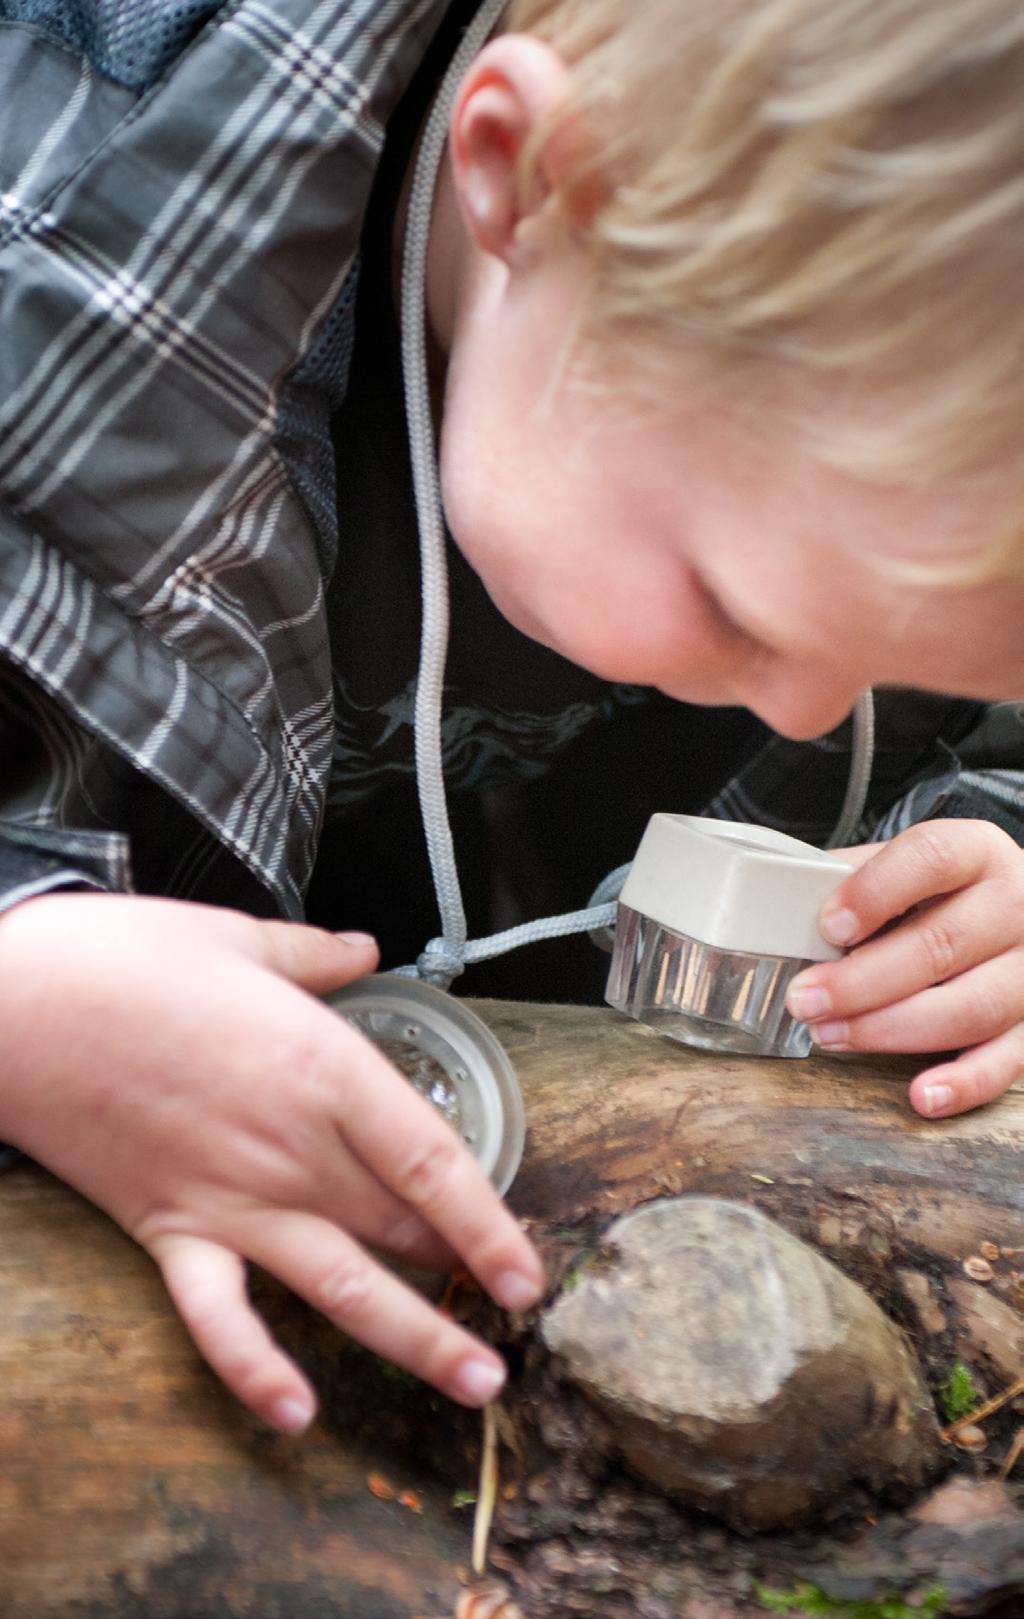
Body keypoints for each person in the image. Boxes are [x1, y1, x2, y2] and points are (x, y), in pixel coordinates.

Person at [0, 0, 1022, 1438]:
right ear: (532, 181)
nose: (810, 705)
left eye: (890, 654)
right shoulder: (53, 237)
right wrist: (25, 988)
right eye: (741, 606)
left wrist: (990, 842)